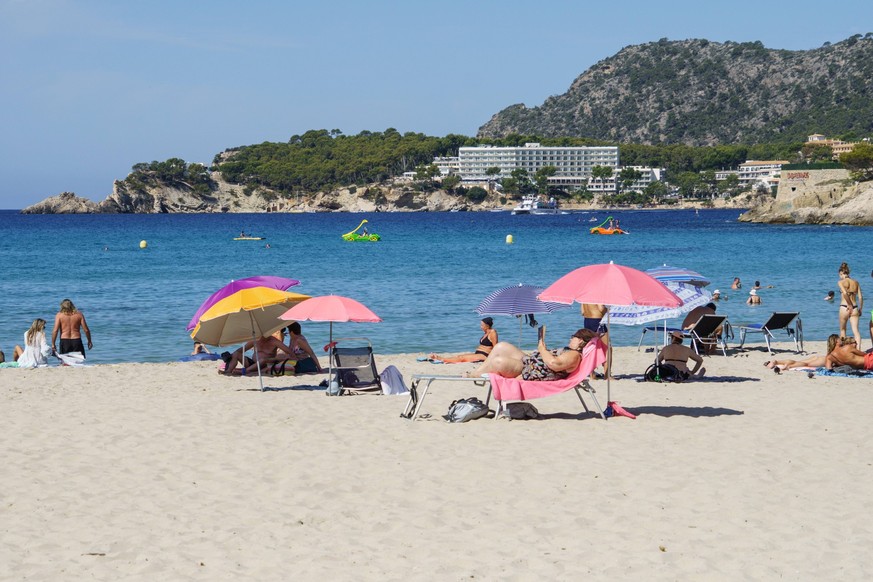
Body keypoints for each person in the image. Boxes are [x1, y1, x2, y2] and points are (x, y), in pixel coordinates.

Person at [467, 326, 598, 380]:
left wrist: (542, 349)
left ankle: (474, 375)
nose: (571, 339)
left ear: (581, 341)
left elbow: (554, 364)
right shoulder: (571, 352)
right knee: (501, 346)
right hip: (530, 362)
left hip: (528, 370)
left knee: (498, 361)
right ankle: (477, 372)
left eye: (573, 337)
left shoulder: (574, 355)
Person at [429, 318, 498, 363]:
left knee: (462, 358)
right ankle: (443, 359)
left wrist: (492, 359)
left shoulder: (493, 332)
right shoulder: (486, 333)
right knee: (459, 356)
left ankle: (440, 359)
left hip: (485, 355)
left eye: (482, 325)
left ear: (487, 325)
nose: (481, 326)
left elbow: (496, 347)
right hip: (478, 353)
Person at [222, 333, 296, 376]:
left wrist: (279, 359)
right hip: (252, 364)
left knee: (263, 360)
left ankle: (244, 371)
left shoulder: (274, 342)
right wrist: (230, 356)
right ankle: (228, 371)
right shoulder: (255, 340)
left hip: (265, 364)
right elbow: (240, 350)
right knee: (236, 353)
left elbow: (290, 353)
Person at [765, 334, 839, 374]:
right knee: (805, 364)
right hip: (822, 360)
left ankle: (777, 362)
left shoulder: (832, 351)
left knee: (801, 362)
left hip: (818, 358)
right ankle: (788, 366)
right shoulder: (836, 351)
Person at [837, 262, 863, 350]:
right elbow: (860, 297)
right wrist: (860, 309)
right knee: (856, 331)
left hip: (845, 307)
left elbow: (844, 293)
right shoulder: (856, 282)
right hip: (855, 308)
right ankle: (858, 350)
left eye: (840, 275)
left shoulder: (841, 282)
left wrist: (849, 304)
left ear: (841, 273)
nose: (840, 276)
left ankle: (843, 351)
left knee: (843, 330)